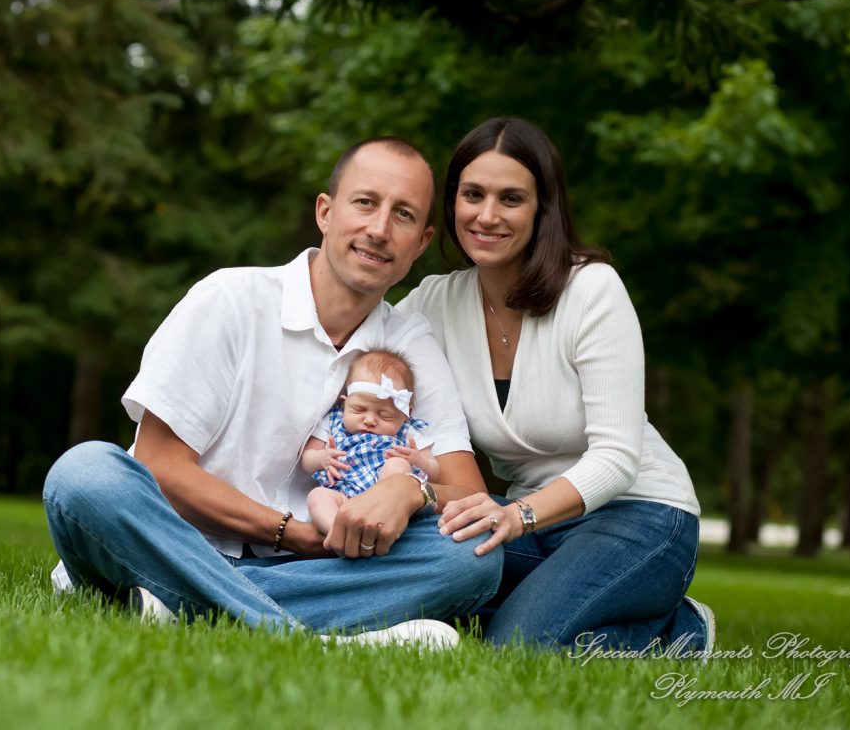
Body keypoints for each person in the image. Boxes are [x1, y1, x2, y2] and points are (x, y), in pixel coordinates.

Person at [42, 136, 502, 645]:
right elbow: (159, 463)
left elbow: (471, 496)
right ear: (326, 213)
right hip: (170, 540)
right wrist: (292, 533)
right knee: (83, 475)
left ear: (420, 242)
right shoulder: (231, 299)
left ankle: (178, 604)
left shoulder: (411, 345)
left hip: (319, 568)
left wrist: (413, 488)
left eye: (404, 215)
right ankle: (312, 640)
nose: (379, 229)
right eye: (366, 203)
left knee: (474, 548)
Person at [397, 118, 715, 654]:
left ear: (543, 209)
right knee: (417, 590)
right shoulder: (434, 302)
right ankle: (588, 608)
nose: (487, 215)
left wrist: (514, 515)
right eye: (472, 194)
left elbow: (616, 458)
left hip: (639, 514)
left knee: (515, 648)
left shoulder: (591, 289)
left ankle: (681, 632)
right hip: (533, 525)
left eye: (511, 198)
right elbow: (357, 355)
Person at [302, 349, 439, 535]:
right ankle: (338, 533)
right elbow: (307, 459)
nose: (370, 420)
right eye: (359, 409)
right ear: (345, 403)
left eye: (385, 415)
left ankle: (384, 527)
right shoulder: (332, 421)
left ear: (406, 414)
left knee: (397, 465)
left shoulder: (410, 431)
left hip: (389, 505)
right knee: (317, 497)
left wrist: (419, 461)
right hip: (345, 496)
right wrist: (321, 458)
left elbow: (435, 472)